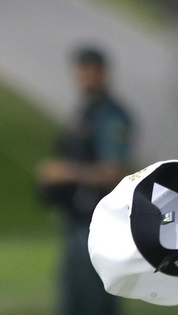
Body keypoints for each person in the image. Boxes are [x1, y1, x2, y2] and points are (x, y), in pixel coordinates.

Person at [37, 45, 135, 315]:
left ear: (103, 73)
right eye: (79, 72)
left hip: (97, 225)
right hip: (76, 222)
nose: (83, 79)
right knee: (74, 299)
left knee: (92, 301)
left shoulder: (110, 116)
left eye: (89, 72)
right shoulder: (85, 112)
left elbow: (114, 172)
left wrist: (66, 172)